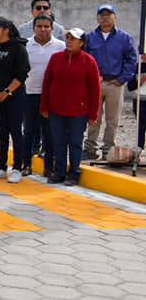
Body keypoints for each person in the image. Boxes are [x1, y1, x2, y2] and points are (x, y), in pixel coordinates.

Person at [42, 28, 101, 185]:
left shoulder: (89, 61)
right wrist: (44, 106)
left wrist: (93, 114)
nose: (68, 41)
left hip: (78, 111)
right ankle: (59, 172)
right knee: (59, 142)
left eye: (73, 38)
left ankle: (74, 173)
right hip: (56, 109)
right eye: (67, 38)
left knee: (75, 142)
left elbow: (95, 90)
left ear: (81, 43)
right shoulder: (55, 58)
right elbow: (47, 82)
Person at [83, 4, 137, 160]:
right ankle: (90, 148)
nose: (105, 18)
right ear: (97, 18)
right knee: (93, 117)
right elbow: (85, 59)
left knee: (112, 119)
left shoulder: (124, 38)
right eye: (102, 15)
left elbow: (131, 60)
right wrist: (89, 79)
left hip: (115, 84)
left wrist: (121, 79)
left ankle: (108, 148)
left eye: (109, 14)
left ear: (115, 17)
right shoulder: (90, 37)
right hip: (95, 84)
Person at [0, 18, 31, 183]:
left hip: (14, 96)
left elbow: (22, 74)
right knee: (2, 132)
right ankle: (1, 167)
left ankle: (17, 167)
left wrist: (7, 92)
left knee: (16, 131)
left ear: (6, 30)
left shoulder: (18, 47)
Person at [23, 14, 65, 177]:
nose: (43, 29)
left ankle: (49, 167)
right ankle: (26, 164)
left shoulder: (61, 46)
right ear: (33, 28)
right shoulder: (26, 45)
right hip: (29, 94)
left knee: (50, 133)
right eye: (39, 26)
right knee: (29, 132)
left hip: (51, 97)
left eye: (47, 26)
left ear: (52, 29)